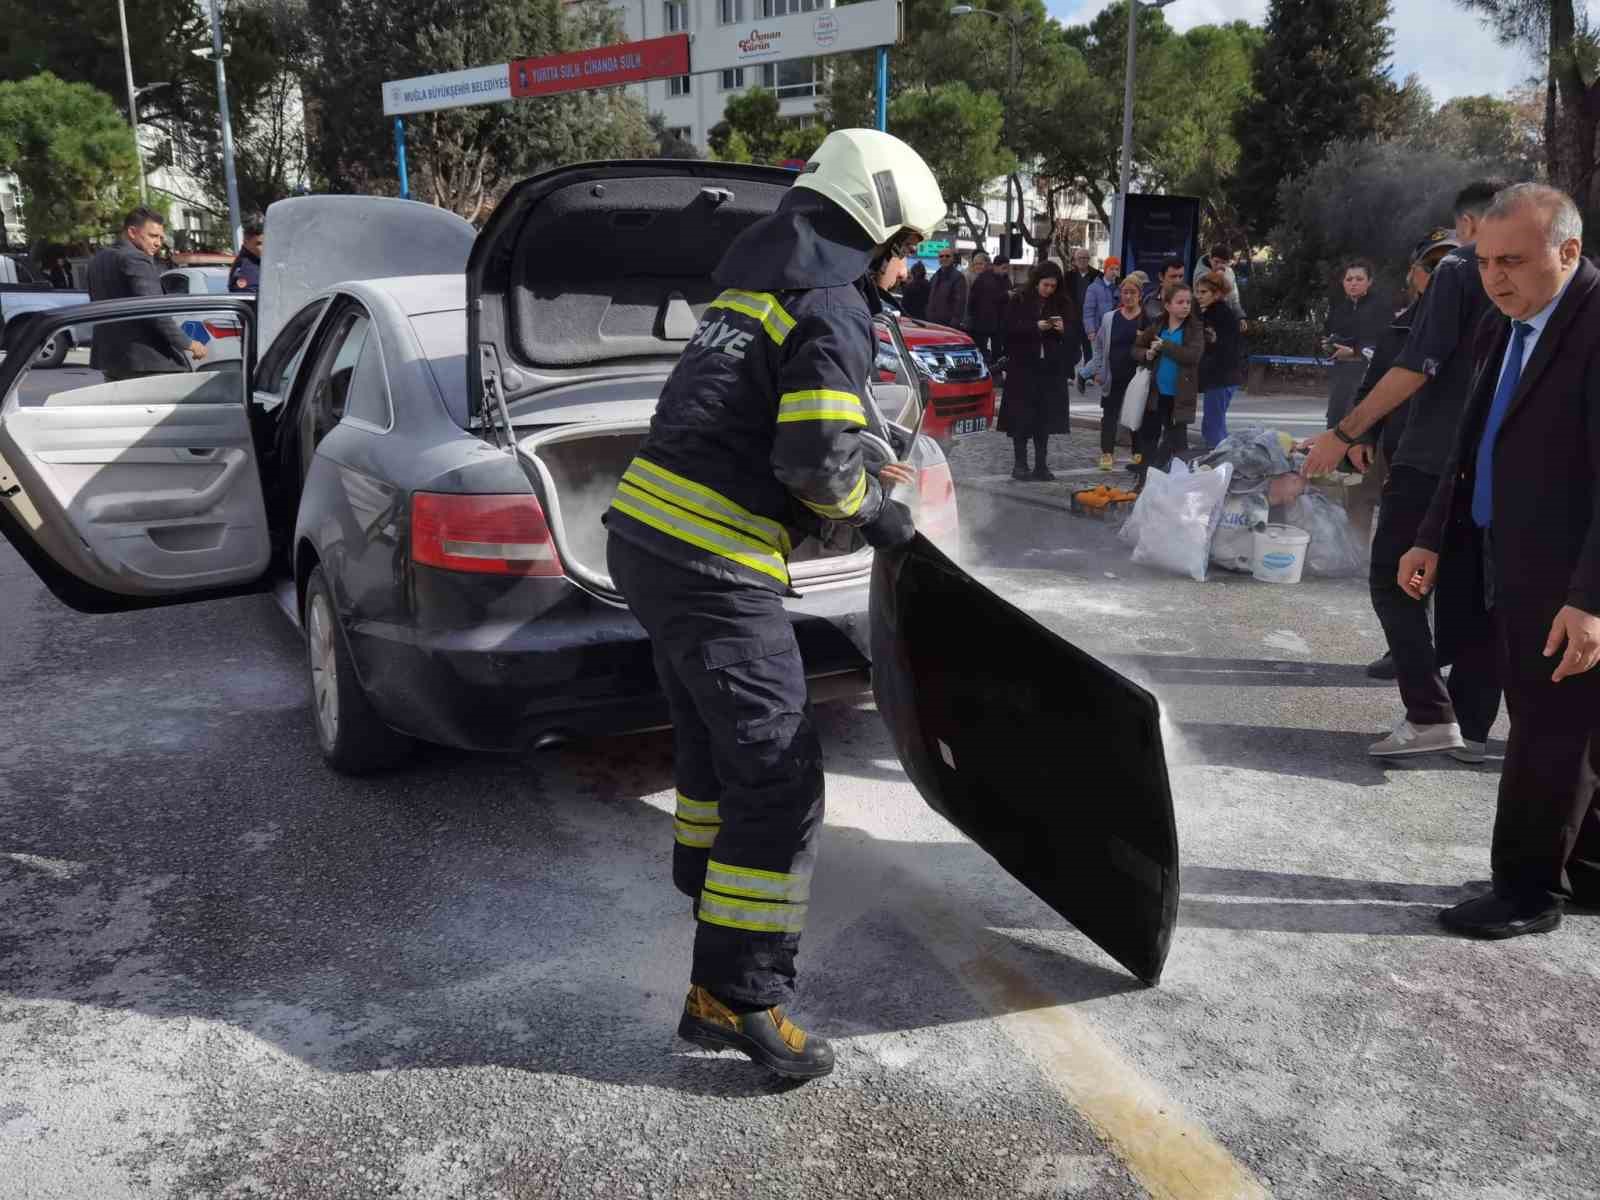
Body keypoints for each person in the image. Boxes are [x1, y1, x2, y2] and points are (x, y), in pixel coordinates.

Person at [602, 129, 941, 1078]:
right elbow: (810, 462)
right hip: (711, 560)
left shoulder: (757, 289)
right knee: (782, 775)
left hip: (647, 538)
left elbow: (763, 422)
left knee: (716, 738)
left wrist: (847, 469)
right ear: (873, 228)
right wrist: (876, 514)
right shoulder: (832, 304)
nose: (909, 269)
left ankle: (703, 882)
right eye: (907, 247)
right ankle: (735, 995)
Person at [1401, 183, 1600, 939]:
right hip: (1505, 557)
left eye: (1513, 260)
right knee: (1576, 732)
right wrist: (1430, 534)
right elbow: (1471, 441)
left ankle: (1524, 892)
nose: (1495, 276)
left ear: (1569, 251)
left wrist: (1591, 600)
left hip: (1570, 576)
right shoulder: (1507, 321)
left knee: (1546, 735)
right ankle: (1583, 871)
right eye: (1485, 260)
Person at [1303, 179, 1507, 762]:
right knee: (1471, 593)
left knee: (1392, 579)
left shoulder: (1461, 270)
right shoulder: (1551, 280)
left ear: (1467, 224)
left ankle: (1429, 713)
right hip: (1488, 459)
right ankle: (1470, 727)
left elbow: (1417, 366)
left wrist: (1343, 432)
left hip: (1431, 458)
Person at [1350, 230, 1460, 682]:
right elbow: (1374, 383)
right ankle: (1408, 649)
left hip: (1455, 466)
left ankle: (1450, 662)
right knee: (1398, 565)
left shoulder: (1483, 322)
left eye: (1451, 265)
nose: (1439, 275)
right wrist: (1362, 434)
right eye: (1431, 267)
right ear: (1415, 275)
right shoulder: (1400, 325)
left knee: (1451, 566)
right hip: (1404, 461)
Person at [86, 207, 207, 381]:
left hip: (112, 360)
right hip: (149, 361)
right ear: (132, 232)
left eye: (161, 238)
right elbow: (154, 311)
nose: (158, 243)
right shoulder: (136, 258)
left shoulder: (98, 259)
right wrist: (189, 343)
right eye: (153, 236)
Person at [998, 260, 1075, 481]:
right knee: (1021, 418)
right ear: (1037, 282)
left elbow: (1073, 335)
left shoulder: (1062, 303)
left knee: (1044, 419)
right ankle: (1020, 464)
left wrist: (1063, 329)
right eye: (1045, 285)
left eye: (1053, 286)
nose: (1049, 290)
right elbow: (1007, 331)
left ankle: (1041, 465)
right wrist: (1034, 327)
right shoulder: (1020, 299)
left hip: (1049, 369)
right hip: (1023, 369)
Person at [1131, 281, 1204, 483]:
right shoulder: (1157, 325)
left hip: (1179, 396)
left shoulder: (1194, 328)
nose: (1185, 306)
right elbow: (1136, 348)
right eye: (1180, 302)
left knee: (1178, 443)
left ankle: (1182, 485)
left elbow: (1192, 356)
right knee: (1149, 440)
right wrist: (1147, 352)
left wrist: (1165, 346)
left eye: (1188, 302)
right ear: (1168, 305)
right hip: (1155, 393)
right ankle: (1144, 481)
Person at [1090, 275, 1149, 472]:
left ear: (1140, 295)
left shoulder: (1147, 318)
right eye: (1125, 292)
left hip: (1137, 375)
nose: (1129, 296)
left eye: (1133, 292)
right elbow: (1099, 346)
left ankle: (1138, 452)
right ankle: (1107, 452)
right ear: (1120, 294)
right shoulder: (1110, 318)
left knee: (1137, 414)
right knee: (1110, 415)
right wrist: (1098, 369)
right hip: (1113, 374)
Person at [1323, 259, 1389, 429]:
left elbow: (1385, 342)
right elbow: (1328, 334)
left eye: (1359, 279)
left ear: (1369, 282)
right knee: (1335, 423)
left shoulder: (1381, 307)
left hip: (1368, 376)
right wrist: (1327, 345)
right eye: (1349, 279)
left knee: (1357, 427)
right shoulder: (1338, 308)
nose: (1353, 283)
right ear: (1343, 283)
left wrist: (1353, 351)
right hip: (1340, 375)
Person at [1195, 271, 1243, 449]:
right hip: (1223, 376)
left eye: (1203, 292)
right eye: (1198, 291)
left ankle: (1220, 463)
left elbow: (1219, 347)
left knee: (1213, 427)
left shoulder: (1219, 314)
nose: (1198, 296)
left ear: (1217, 294)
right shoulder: (1216, 312)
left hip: (1221, 377)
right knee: (1215, 424)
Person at [1079, 256, 1120, 393]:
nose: (1114, 272)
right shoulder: (1094, 288)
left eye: (1117, 269)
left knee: (1105, 357)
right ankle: (1083, 374)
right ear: (1105, 269)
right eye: (1112, 269)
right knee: (1098, 358)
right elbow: (1088, 310)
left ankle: (1098, 379)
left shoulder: (1118, 288)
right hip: (1098, 330)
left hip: (1112, 329)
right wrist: (1090, 330)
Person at [965, 252, 1011, 366]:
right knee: (982, 351)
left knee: (997, 351)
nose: (1006, 271)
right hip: (983, 322)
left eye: (1007, 268)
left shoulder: (1004, 278)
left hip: (998, 322)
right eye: (1003, 268)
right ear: (995, 266)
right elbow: (987, 299)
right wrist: (1007, 295)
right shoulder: (983, 279)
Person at [1066, 247, 1098, 386]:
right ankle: (1069, 374)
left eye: (1085, 258)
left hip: (1089, 317)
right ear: (1075, 260)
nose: (1082, 261)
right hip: (1073, 316)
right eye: (1080, 258)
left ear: (1089, 260)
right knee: (1071, 346)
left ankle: (1088, 375)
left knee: (1088, 347)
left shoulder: (1097, 275)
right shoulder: (1068, 276)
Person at [1193, 244, 1246, 319]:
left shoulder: (1229, 271)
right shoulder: (1201, 273)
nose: (1219, 266)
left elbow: (1234, 296)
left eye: (1223, 263)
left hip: (1227, 315)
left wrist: (1240, 316)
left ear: (1228, 263)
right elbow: (1211, 298)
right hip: (1206, 317)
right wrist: (1219, 277)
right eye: (1216, 262)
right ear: (1210, 258)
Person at [925, 247, 968, 328]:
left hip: (948, 325)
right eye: (941, 256)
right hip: (932, 323)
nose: (944, 258)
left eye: (947, 256)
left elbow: (960, 303)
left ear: (953, 258)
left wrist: (954, 323)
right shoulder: (935, 276)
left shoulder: (958, 277)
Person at [1143, 258, 1187, 323]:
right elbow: (1142, 329)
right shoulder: (1149, 300)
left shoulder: (1190, 301)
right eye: (1173, 276)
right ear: (1161, 276)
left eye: (1181, 276)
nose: (1178, 281)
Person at [228, 222, 264, 293]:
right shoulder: (247, 268)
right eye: (259, 244)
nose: (265, 247)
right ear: (245, 241)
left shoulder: (257, 262)